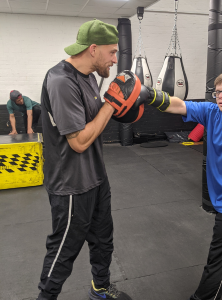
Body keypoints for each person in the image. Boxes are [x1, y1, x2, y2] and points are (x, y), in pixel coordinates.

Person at [120, 71, 222, 299]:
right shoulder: (212, 112)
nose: (220, 97)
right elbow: (178, 106)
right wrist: (151, 95)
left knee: (219, 259)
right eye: (217, 92)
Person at [37, 19, 133, 300]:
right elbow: (78, 141)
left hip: (96, 176)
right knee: (64, 251)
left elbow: (96, 121)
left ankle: (100, 290)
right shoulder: (61, 81)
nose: (115, 59)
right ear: (93, 49)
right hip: (71, 184)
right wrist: (112, 103)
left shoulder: (90, 76)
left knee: (103, 241)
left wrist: (119, 105)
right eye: (112, 52)